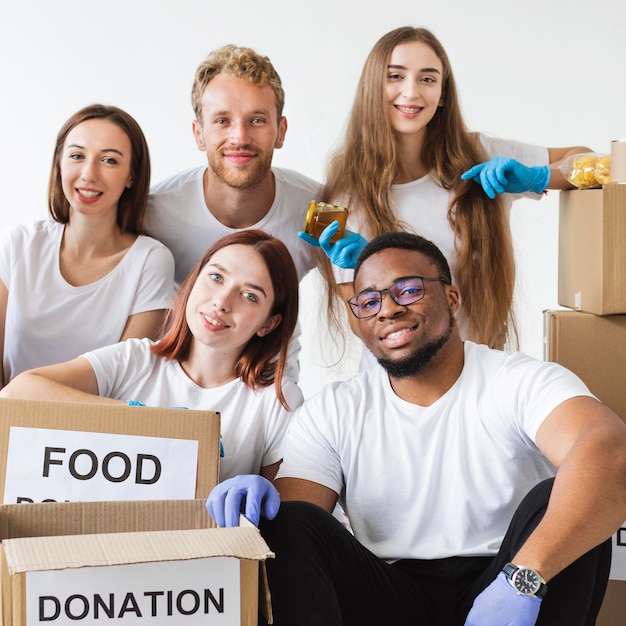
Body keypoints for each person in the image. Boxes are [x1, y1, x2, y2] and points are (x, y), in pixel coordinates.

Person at [208, 231, 626, 625]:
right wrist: (263, 507)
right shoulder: (335, 408)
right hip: (390, 596)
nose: (387, 309)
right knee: (289, 522)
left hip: (507, 582)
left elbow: (611, 450)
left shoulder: (515, 380)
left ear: (451, 296)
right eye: (368, 301)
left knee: (571, 491)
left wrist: (523, 581)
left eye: (408, 290)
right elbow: (298, 526)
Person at [302, 26, 590, 351]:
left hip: (483, 369)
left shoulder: (479, 154)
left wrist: (538, 176)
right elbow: (359, 323)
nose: (411, 93)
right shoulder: (341, 191)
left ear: (442, 94)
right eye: (395, 76)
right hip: (399, 383)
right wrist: (370, 273)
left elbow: (589, 161)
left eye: (427, 79)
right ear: (372, 86)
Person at [0, 230, 303, 489]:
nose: (221, 302)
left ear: (269, 323)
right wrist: (145, 421)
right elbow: (18, 392)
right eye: (215, 277)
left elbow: (287, 513)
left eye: (249, 296)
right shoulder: (135, 360)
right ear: (194, 280)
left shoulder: (277, 401)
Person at [144, 44, 322, 380]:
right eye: (222, 121)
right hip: (175, 378)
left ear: (281, 131)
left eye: (257, 120)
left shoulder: (316, 209)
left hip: (270, 382)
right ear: (199, 134)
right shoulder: (155, 213)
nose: (240, 137)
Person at [0, 104, 176, 388]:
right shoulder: (20, 244)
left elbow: (126, 378)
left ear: (132, 175)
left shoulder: (150, 261)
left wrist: (30, 393)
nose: (88, 174)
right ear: (59, 164)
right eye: (77, 156)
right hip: (8, 422)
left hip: (97, 428)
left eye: (109, 160)